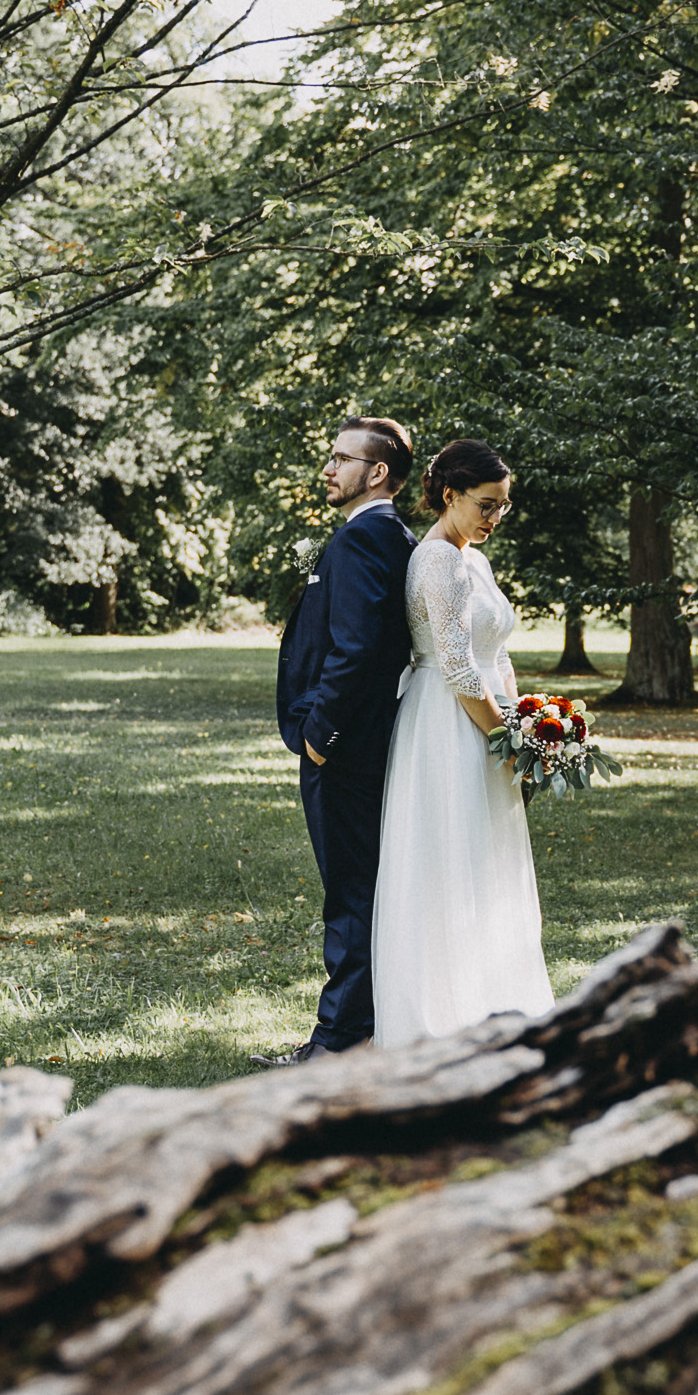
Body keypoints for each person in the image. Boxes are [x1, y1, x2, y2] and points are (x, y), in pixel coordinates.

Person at [371, 440, 554, 1045]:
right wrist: (508, 738)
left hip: (490, 718)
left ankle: (493, 1003)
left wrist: (527, 719)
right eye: (485, 504)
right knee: (448, 857)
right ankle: (438, 1017)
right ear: (449, 494)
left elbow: (494, 651)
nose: (494, 518)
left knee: (486, 858)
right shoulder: (437, 561)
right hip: (446, 722)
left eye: (503, 507)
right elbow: (454, 663)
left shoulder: (475, 560)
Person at [259, 417, 417, 1065]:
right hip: (371, 743)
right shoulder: (390, 537)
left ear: (377, 473)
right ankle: (361, 1027)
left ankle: (337, 1042)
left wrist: (319, 735)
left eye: (340, 458)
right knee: (364, 888)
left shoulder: (361, 542)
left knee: (350, 892)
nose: (327, 468)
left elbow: (356, 652)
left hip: (345, 748)